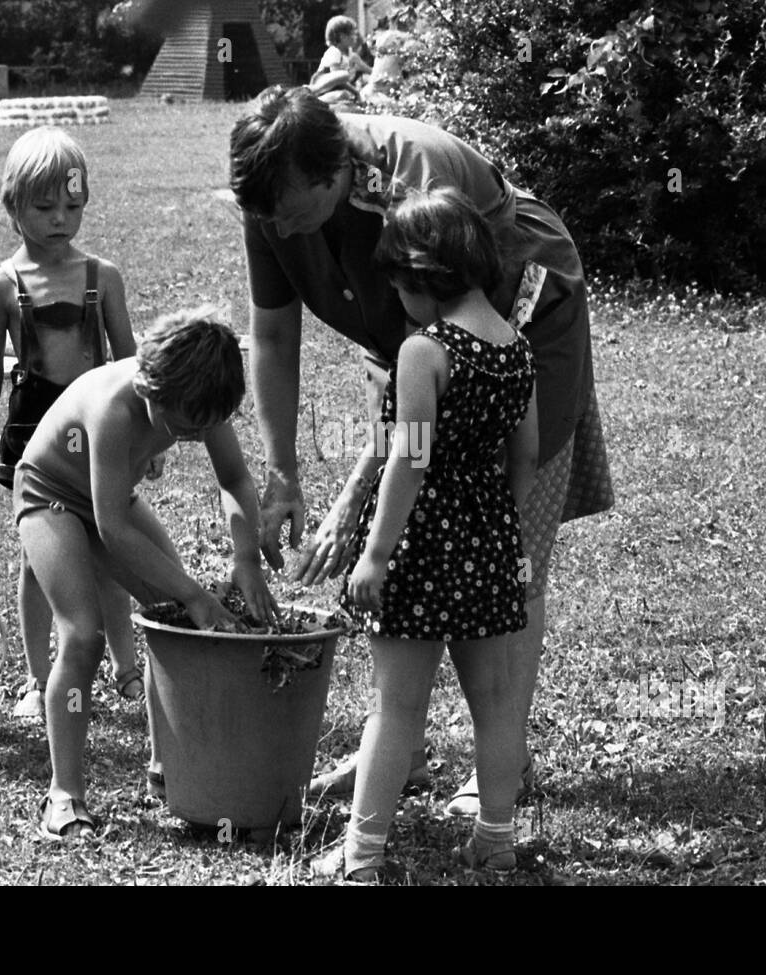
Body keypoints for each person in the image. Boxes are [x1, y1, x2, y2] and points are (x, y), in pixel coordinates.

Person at [229, 86, 614, 816]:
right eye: (262, 213)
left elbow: (433, 375)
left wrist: (356, 498)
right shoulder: (272, 202)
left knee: (505, 539)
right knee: (418, 546)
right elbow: (276, 336)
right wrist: (282, 471)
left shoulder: (415, 187)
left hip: (516, 312)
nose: (274, 226)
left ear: (335, 174)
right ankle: (396, 747)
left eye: (286, 209)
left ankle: (503, 765)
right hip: (419, 346)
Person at [323, 187, 538, 880]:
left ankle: (361, 856)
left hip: (419, 545)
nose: (394, 295)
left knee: (397, 703)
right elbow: (525, 455)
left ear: (423, 276)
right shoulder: (516, 346)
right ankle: (496, 838)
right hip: (488, 541)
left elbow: (409, 456)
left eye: (396, 281)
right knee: (498, 699)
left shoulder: (425, 351)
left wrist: (374, 556)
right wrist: (504, 537)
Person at [15, 309, 277, 839]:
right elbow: (112, 531)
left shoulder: (199, 399)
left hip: (109, 497)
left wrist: (245, 557)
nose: (188, 437)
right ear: (147, 385)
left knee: (175, 623)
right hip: (52, 497)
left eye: (200, 428)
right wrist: (197, 593)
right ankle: (64, 795)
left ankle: (168, 770)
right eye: (180, 426)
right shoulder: (115, 406)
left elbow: (234, 476)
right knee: (83, 635)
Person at [0, 126, 146, 720]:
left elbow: (129, 365)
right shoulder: (1, 287)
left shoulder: (103, 276)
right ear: (12, 205)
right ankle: (37, 678)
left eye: (73, 205)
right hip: (32, 437)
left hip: (99, 435)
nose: (60, 219)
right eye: (44, 207)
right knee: (36, 563)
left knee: (111, 546)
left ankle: (125, 669)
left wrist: (145, 440)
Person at [310, 16, 372, 106]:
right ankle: (318, 101)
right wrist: (356, 92)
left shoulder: (349, 55)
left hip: (336, 89)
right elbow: (338, 78)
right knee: (344, 91)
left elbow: (369, 71)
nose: (355, 37)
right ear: (342, 37)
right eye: (352, 34)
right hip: (324, 89)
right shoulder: (334, 52)